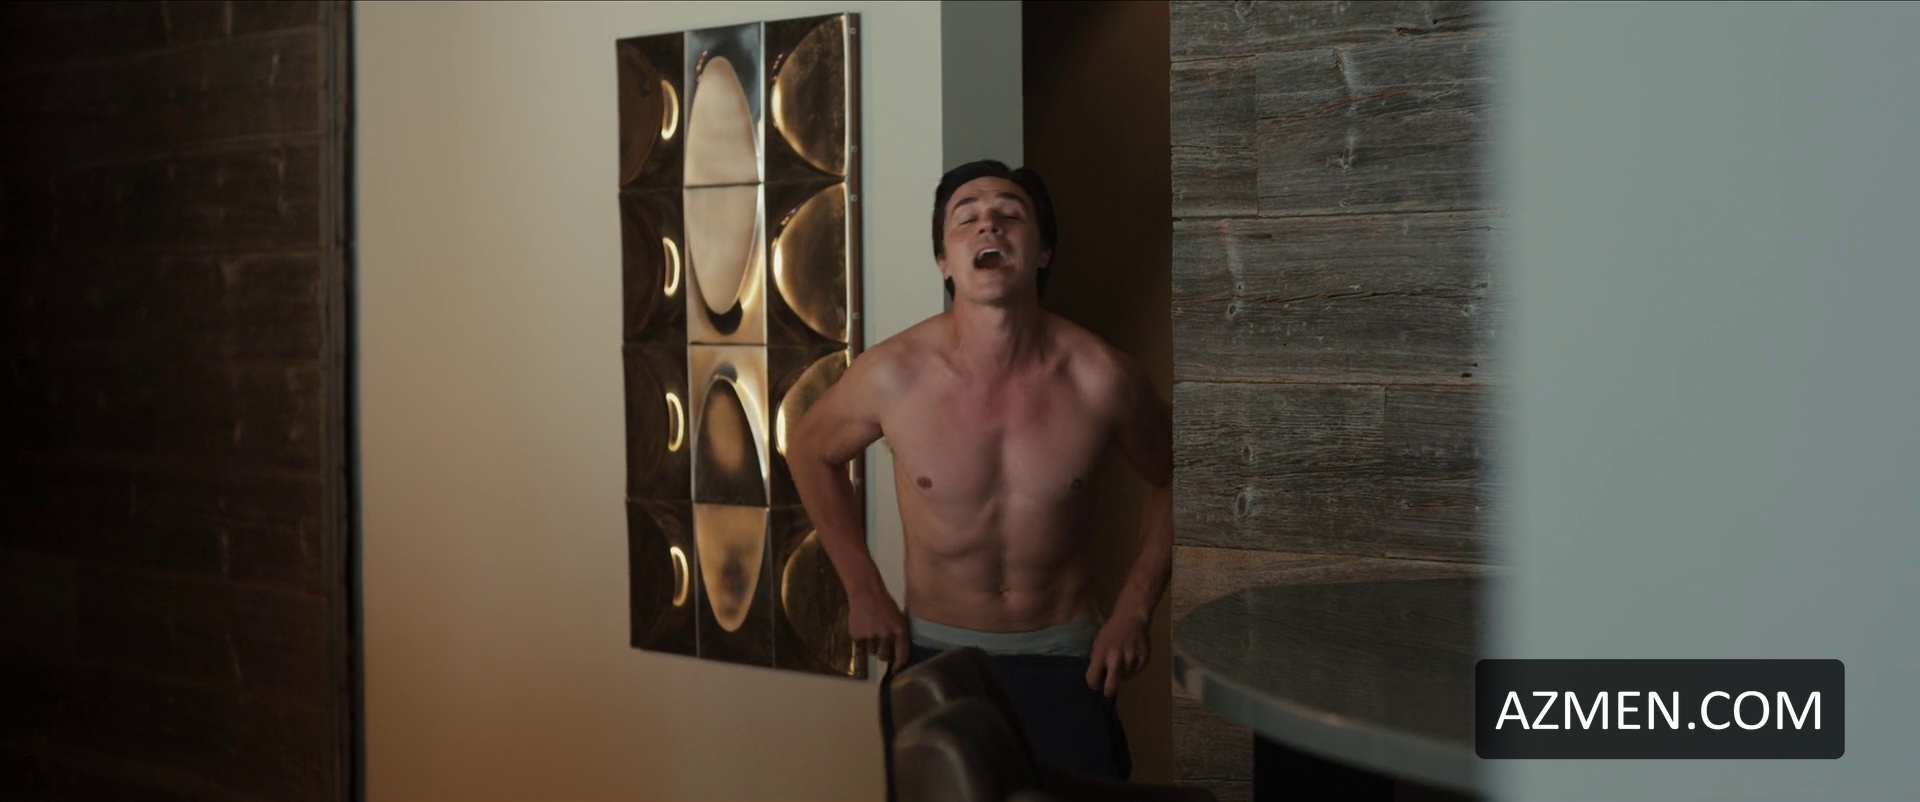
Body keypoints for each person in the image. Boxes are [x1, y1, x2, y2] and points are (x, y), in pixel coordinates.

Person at [786, 160, 1173, 785]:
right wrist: (862, 588)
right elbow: (808, 450)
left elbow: (1181, 477)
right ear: (944, 261)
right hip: (932, 658)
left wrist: (1134, 610)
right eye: (965, 218)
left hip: (1065, 660)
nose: (988, 224)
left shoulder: (1102, 377)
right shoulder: (893, 375)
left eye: (1009, 214)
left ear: (1043, 252)